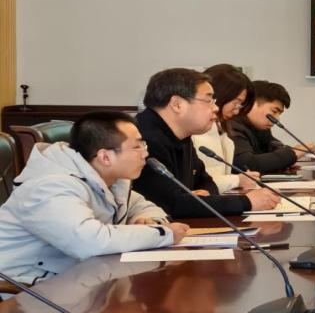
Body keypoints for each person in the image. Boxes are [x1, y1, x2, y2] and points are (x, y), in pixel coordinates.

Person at [0, 111, 189, 284]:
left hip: (79, 280)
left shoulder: (109, 179)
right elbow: (90, 242)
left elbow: (142, 206)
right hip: (24, 289)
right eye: (137, 146)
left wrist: (149, 220)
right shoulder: (50, 187)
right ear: (105, 157)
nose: (145, 153)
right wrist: (162, 234)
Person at [134, 68, 279, 218]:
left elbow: (205, 181)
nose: (215, 108)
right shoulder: (143, 139)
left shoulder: (181, 136)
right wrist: (247, 202)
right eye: (208, 101)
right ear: (177, 105)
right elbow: (170, 204)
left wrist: (202, 196)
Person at [192, 64, 260, 192]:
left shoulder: (221, 128)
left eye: (241, 105)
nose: (237, 111)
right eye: (236, 102)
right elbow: (195, 184)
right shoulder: (193, 131)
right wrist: (237, 180)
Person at [230, 80, 310, 175]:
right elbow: (246, 165)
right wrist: (291, 155)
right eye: (274, 111)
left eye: (279, 114)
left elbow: (275, 146)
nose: (277, 119)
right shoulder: (232, 126)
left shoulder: (260, 127)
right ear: (252, 104)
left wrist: (282, 162)